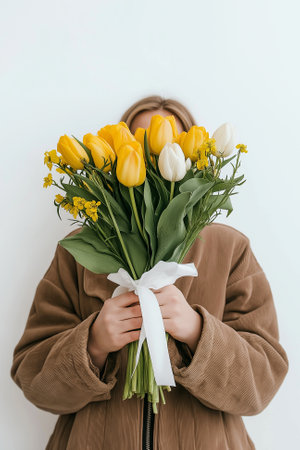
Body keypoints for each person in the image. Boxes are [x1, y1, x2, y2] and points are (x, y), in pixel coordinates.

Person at [10, 95, 289, 450]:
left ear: (194, 159)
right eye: (137, 146)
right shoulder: (77, 250)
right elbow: (34, 382)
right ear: (113, 156)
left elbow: (261, 386)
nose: (154, 159)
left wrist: (196, 331)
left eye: (171, 145)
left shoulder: (230, 250)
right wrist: (92, 344)